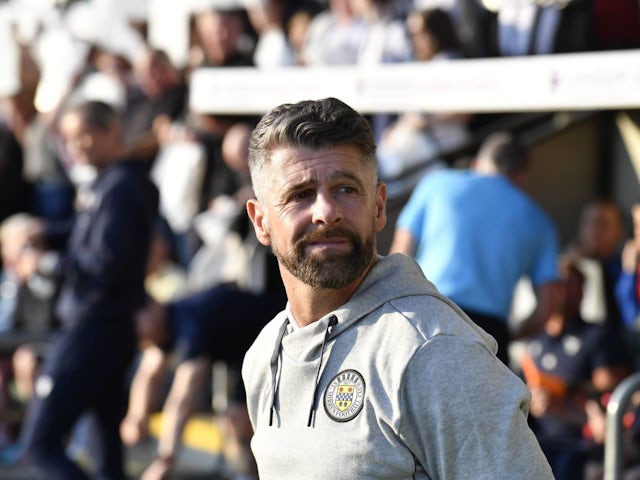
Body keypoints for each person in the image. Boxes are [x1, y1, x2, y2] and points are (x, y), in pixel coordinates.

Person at [241, 97, 554, 479]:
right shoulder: (264, 353)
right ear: (260, 221)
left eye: (346, 189)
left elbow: (403, 251)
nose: (326, 211)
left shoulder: (435, 352)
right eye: (300, 194)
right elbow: (546, 304)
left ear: (378, 207)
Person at [18, 100, 159, 480]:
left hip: (95, 326)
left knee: (39, 444)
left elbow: (104, 266)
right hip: (107, 327)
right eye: (68, 139)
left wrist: (45, 263)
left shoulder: (122, 187)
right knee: (106, 456)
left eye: (83, 136)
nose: (75, 146)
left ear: (110, 131)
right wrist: (45, 234)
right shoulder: (110, 184)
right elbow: (87, 239)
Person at [390, 131, 560, 365]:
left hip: (425, 315)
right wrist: (508, 336)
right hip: (489, 334)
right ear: (522, 175)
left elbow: (398, 258)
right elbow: (545, 309)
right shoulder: (540, 221)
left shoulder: (436, 184)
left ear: (477, 163)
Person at [520, 259, 632, 480]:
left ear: (582, 292)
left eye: (571, 284)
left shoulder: (597, 335)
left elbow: (614, 384)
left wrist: (565, 391)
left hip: (583, 440)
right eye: (558, 282)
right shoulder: (533, 342)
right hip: (537, 439)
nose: (563, 290)